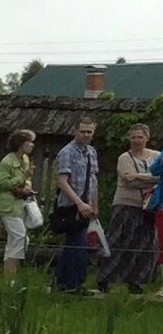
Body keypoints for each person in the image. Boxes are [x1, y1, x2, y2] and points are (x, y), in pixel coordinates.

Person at [97, 122, 160, 295]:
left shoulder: (156, 156)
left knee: (144, 244)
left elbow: (153, 177)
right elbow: (128, 181)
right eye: (133, 137)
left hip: (148, 206)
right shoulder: (124, 158)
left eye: (140, 137)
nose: (136, 140)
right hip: (126, 204)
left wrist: (140, 176)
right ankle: (105, 278)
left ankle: (136, 281)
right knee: (118, 241)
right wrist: (152, 178)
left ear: (147, 138)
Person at [52, 114, 102, 294]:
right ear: (75, 131)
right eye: (83, 132)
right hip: (71, 205)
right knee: (78, 245)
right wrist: (79, 203)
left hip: (87, 204)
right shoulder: (67, 152)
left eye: (89, 132)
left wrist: (94, 205)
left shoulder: (92, 152)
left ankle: (62, 282)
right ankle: (74, 283)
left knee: (74, 244)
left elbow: (93, 180)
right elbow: (62, 181)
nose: (86, 135)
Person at [0, 127, 37, 282]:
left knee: (14, 240)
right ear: (20, 144)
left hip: (19, 204)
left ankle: (8, 278)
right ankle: (11, 276)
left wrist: (27, 185)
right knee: (20, 238)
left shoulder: (24, 159)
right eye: (29, 142)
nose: (32, 145)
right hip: (7, 206)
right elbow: (2, 184)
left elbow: (27, 179)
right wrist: (23, 177)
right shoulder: (7, 162)